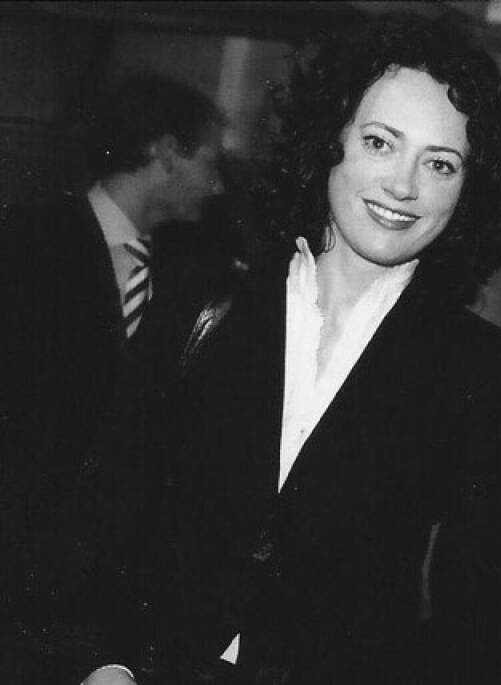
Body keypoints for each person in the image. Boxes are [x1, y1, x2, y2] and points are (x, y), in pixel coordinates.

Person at [80, 13, 501, 685]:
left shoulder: (477, 367)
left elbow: (476, 611)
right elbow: (110, 503)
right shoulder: (202, 301)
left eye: (440, 164)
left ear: (467, 189)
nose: (404, 185)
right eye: (380, 143)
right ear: (331, 140)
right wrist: (106, 662)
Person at [0, 72, 225, 683]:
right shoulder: (23, 246)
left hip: (105, 608)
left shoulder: (190, 276)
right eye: (209, 161)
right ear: (165, 152)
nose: (218, 184)